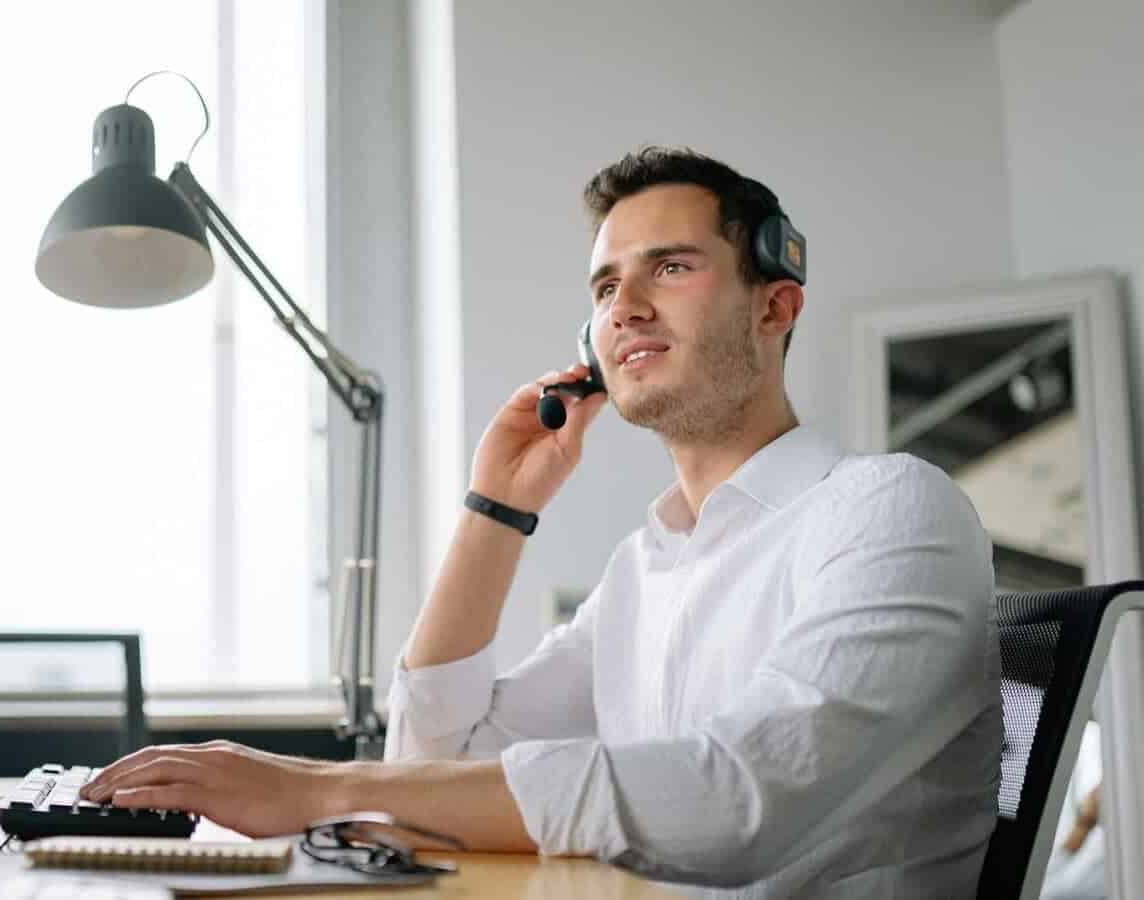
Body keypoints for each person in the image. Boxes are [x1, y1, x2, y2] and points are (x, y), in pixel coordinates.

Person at [80, 147, 1003, 897]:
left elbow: (738, 805)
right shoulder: (649, 566)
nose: (625, 307)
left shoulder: (889, 508)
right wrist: (496, 509)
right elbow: (438, 759)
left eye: (670, 268)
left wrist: (318, 788)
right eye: (605, 288)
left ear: (774, 305)